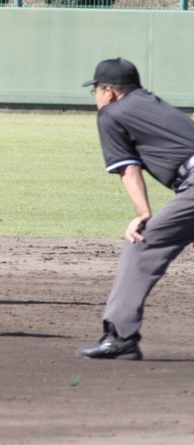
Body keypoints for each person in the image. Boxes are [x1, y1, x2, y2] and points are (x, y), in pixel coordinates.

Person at [77, 59, 194, 360]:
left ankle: (121, 336)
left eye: (95, 90)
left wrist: (143, 215)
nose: (95, 97)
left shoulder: (111, 113)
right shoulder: (153, 104)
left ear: (109, 92)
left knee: (141, 243)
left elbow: (129, 170)